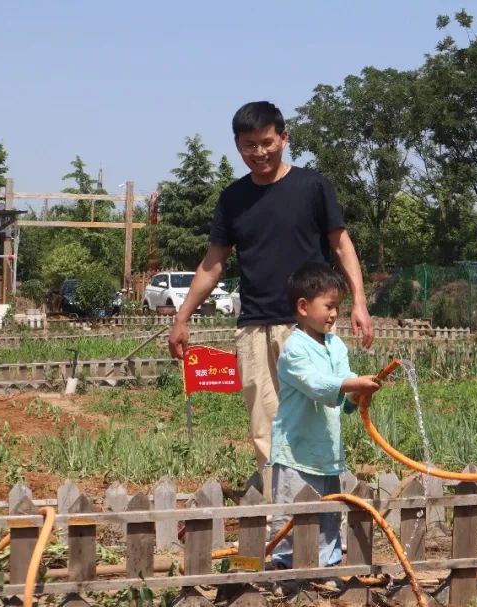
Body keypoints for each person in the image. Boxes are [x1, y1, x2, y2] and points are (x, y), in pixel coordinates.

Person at [166, 101, 374, 499]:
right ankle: (282, 510)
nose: (259, 153)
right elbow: (213, 263)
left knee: (317, 415)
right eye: (249, 145)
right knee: (265, 425)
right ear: (237, 146)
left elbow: (341, 245)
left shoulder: (313, 187)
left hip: (306, 327)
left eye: (267, 142)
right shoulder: (233, 198)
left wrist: (359, 303)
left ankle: (320, 496)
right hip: (255, 324)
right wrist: (182, 317)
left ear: (283, 138)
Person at [268, 262, 381, 568]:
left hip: (327, 452)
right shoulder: (294, 349)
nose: (334, 314)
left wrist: (358, 394)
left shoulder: (336, 345)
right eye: (328, 306)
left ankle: (326, 567)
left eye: (338, 307)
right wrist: (353, 384)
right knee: (292, 519)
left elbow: (343, 385)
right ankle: (285, 572)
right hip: (295, 453)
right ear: (303, 307)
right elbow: (317, 386)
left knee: (328, 517)